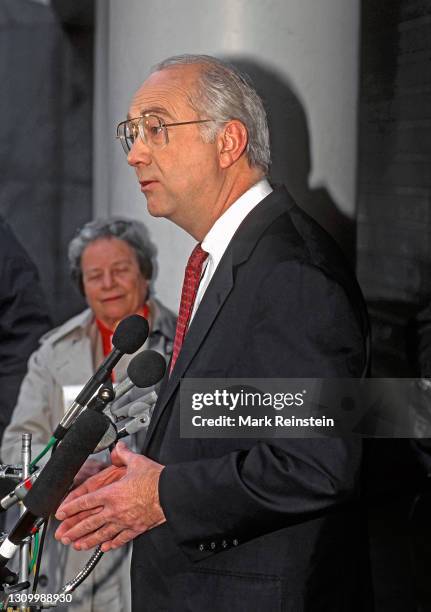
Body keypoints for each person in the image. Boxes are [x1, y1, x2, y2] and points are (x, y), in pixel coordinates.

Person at [54, 55, 370, 611]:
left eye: (157, 128)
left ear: (228, 143)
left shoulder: (292, 272)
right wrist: (133, 468)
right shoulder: (234, 257)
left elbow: (316, 463)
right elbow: (248, 417)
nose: (134, 153)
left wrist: (162, 494)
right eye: (131, 132)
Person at [2, 217, 176, 612]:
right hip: (70, 552)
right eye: (95, 275)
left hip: (151, 544)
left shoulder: (184, 339)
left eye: (121, 270)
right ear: (81, 284)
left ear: (145, 273)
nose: (109, 284)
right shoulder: (51, 353)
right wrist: (59, 469)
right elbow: (16, 446)